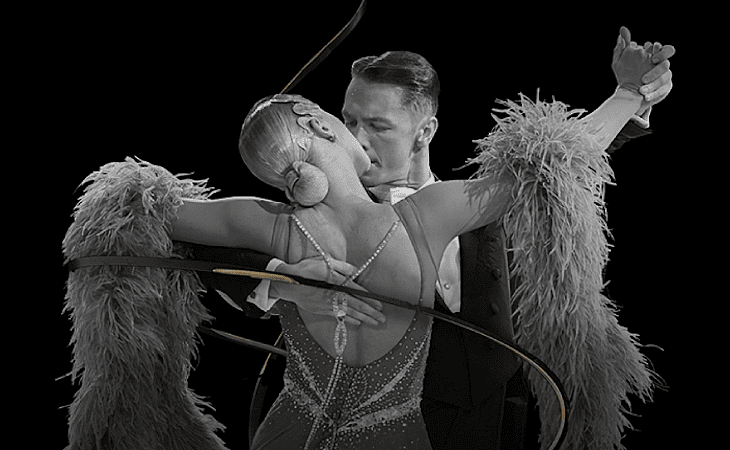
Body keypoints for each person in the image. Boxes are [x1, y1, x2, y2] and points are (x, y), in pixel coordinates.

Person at [166, 33, 662, 449]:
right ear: (324, 124)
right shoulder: (431, 214)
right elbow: (557, 157)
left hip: (484, 428)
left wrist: (634, 100)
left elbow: (558, 171)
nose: (360, 137)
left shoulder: (277, 221)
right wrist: (278, 282)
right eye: (349, 120)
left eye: (377, 125)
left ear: (425, 132)